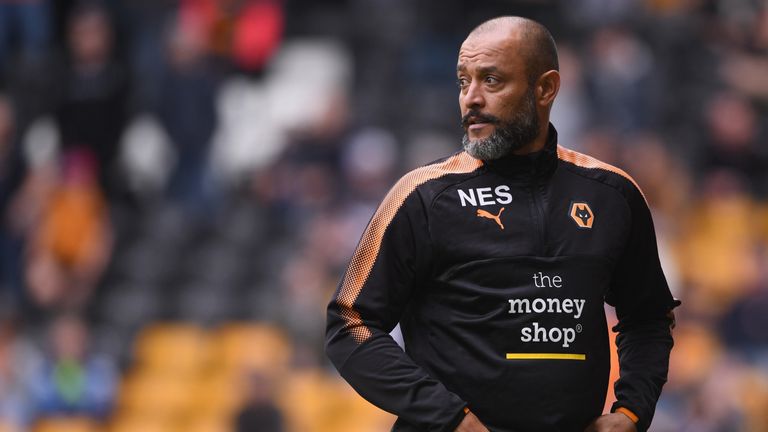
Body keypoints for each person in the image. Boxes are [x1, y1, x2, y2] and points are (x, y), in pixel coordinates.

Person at [325, 16, 679, 432]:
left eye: (491, 80)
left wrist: (632, 412)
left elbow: (649, 318)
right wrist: (450, 418)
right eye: (463, 82)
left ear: (545, 88)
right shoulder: (423, 195)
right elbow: (350, 324)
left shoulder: (611, 194)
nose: (470, 99)